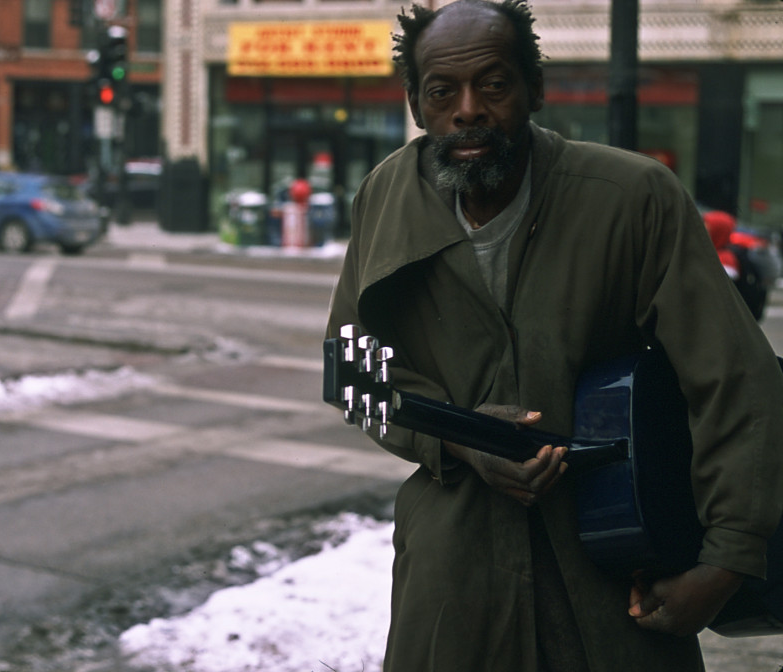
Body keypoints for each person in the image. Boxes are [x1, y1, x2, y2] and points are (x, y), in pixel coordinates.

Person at [324, 1, 783, 670]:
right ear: (417, 106)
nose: (469, 109)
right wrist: (458, 437)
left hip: (616, 579)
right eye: (442, 91)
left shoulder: (633, 198)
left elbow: (737, 383)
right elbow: (351, 375)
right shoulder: (382, 199)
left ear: (535, 89)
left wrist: (727, 561)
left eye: (495, 84)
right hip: (452, 592)